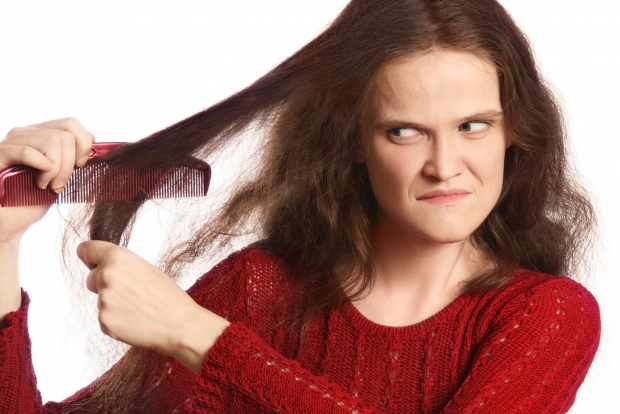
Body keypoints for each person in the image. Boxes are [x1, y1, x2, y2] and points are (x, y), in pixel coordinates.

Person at [0, 0, 601, 412]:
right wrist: (2, 243)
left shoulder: (546, 316)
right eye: (404, 132)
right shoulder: (258, 292)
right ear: (355, 141)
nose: (444, 165)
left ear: (513, 132)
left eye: (472, 125)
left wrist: (201, 338)